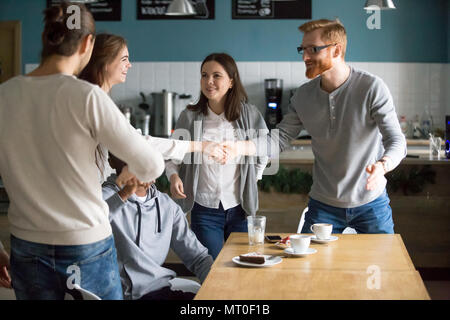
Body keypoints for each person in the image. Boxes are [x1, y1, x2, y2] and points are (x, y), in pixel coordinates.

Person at [0, 3, 165, 300]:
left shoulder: (4, 95)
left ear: (46, 38)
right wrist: (128, 174)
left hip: (25, 245)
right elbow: (151, 165)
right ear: (88, 43)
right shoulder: (87, 96)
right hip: (85, 244)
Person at [226, 19, 407, 234]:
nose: (305, 57)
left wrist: (382, 166)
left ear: (336, 50)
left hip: (371, 202)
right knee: (308, 266)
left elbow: (396, 141)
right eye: (302, 50)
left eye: (313, 49)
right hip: (324, 205)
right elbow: (278, 139)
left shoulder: (371, 87)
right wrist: (238, 148)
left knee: (383, 265)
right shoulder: (303, 96)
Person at [78, 33, 226, 181]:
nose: (129, 65)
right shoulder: (96, 101)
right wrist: (201, 146)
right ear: (105, 63)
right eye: (124, 59)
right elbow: (141, 143)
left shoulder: (94, 98)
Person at [166, 53, 269, 259]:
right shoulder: (189, 116)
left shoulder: (249, 115)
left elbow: (265, 148)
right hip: (204, 210)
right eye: (204, 75)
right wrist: (174, 177)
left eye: (216, 75)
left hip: (240, 209)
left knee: (243, 268)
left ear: (231, 81)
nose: (209, 81)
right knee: (211, 270)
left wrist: (254, 177)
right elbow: (173, 154)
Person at [102, 153, 213, 300]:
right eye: (122, 150)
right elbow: (89, 224)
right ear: (111, 162)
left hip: (160, 291)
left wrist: (217, 288)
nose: (131, 157)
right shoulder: (102, 198)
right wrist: (125, 193)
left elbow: (198, 257)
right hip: (123, 295)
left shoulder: (167, 206)